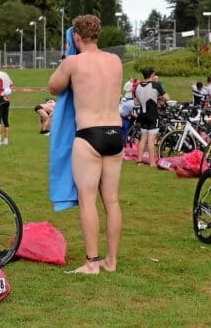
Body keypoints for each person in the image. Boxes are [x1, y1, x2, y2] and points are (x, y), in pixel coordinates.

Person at [48, 14, 123, 274]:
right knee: (112, 201)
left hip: (89, 134)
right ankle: (111, 261)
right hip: (116, 133)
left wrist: (67, 55)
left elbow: (53, 87)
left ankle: (92, 263)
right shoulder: (115, 61)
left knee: (88, 199)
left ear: (76, 37)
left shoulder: (73, 62)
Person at [134, 67, 169, 167]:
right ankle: (152, 162)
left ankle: (139, 161)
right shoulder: (156, 85)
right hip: (153, 114)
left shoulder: (137, 86)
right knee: (151, 140)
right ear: (152, 75)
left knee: (143, 138)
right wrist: (158, 98)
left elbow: (136, 102)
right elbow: (167, 98)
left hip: (142, 114)